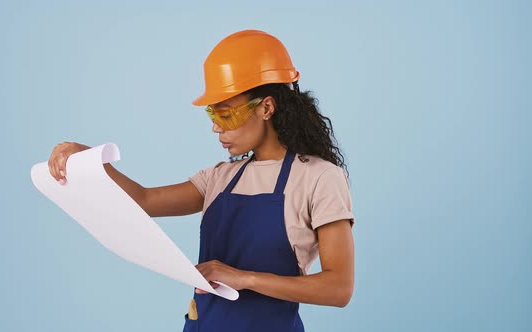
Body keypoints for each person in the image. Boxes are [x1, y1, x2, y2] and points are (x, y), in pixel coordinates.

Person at [48, 29, 354, 332]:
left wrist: (243, 277)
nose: (216, 129)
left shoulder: (319, 177)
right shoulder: (219, 178)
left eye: (226, 115)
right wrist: (88, 160)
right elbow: (143, 200)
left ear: (266, 107)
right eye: (213, 115)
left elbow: (338, 288)